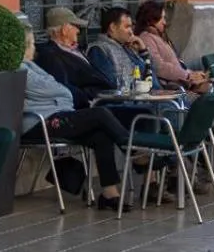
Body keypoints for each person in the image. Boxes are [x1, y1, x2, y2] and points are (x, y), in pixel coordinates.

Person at [20, 33, 132, 210]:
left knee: (101, 135)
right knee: (100, 113)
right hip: (38, 123)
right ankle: (131, 147)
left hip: (56, 114)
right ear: (25, 46)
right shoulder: (20, 68)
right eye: (33, 43)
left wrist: (57, 89)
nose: (35, 48)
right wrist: (57, 89)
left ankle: (109, 194)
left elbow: (56, 87)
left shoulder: (31, 66)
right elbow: (53, 88)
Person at [34, 6, 116, 108]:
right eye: (75, 26)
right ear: (64, 30)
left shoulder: (76, 49)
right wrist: (90, 98)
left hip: (107, 98)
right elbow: (64, 88)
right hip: (93, 105)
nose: (78, 30)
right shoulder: (50, 55)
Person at [134, 1, 211, 93]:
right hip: (171, 87)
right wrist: (187, 75)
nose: (164, 22)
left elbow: (176, 64)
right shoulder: (146, 38)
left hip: (180, 82)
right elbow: (159, 66)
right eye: (161, 18)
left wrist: (192, 73)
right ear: (150, 20)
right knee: (209, 90)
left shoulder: (159, 37)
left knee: (211, 87)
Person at [88, 6, 160, 92]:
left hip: (146, 98)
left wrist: (143, 51)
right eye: (127, 27)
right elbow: (110, 84)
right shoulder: (99, 50)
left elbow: (152, 79)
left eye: (131, 27)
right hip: (124, 102)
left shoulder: (128, 47)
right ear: (113, 27)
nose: (131, 32)